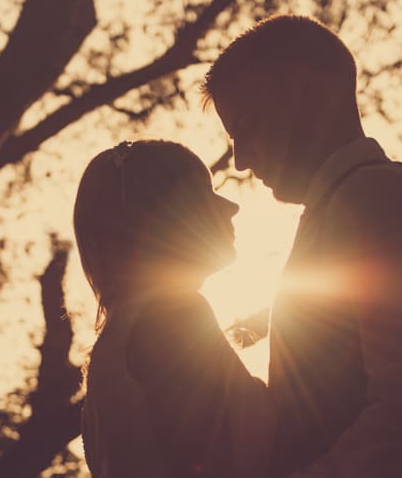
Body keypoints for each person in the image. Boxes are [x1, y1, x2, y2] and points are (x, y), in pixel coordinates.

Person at [201, 14, 402, 478]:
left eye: (246, 127)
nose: (242, 159)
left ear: (305, 92)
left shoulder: (378, 201)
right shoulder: (348, 208)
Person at [73, 140, 273, 478]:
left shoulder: (118, 337)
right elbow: (260, 447)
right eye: (205, 193)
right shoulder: (171, 314)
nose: (231, 207)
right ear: (166, 215)